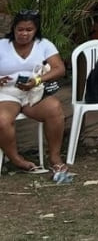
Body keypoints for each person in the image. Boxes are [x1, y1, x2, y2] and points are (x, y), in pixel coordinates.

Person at [0, 10, 70, 179]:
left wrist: (38, 80)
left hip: (34, 92)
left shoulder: (44, 44)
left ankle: (54, 156)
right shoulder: (2, 45)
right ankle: (16, 159)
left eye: (29, 30)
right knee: (2, 120)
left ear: (36, 30)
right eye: (20, 29)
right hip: (7, 93)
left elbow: (59, 69)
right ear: (13, 29)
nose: (24, 33)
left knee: (54, 108)